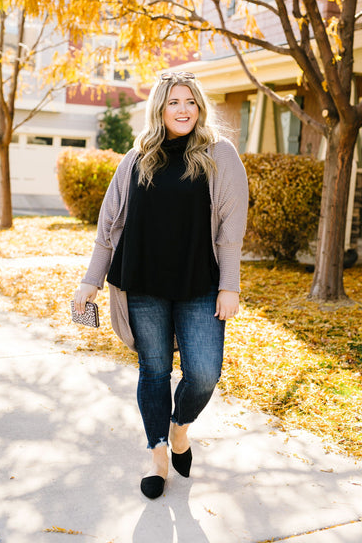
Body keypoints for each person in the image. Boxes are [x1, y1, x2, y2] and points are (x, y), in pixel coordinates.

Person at [74, 71, 248, 499]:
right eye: (174, 102)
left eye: (190, 101)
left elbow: (231, 229)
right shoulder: (136, 159)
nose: (183, 109)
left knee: (204, 373)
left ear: (199, 106)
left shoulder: (219, 155)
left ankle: (179, 428)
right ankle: (157, 456)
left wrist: (231, 285)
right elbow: (108, 225)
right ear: (159, 108)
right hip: (143, 282)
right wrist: (90, 281)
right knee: (154, 372)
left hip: (201, 283)